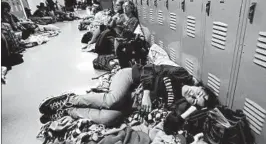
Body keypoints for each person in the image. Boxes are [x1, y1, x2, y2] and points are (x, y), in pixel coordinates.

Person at [38, 64, 215, 127]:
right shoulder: (181, 74)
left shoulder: (181, 104)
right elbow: (149, 68)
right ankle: (68, 99)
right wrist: (146, 92)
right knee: (112, 100)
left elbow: (170, 125)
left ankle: (69, 111)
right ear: (198, 86)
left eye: (195, 99)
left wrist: (193, 107)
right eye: (198, 92)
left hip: (132, 103)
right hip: (131, 78)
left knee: (110, 118)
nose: (192, 94)